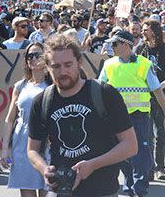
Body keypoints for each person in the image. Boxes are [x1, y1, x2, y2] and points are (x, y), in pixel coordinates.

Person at [27, 34, 138, 197]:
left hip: (102, 191)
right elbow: (32, 150)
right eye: (56, 66)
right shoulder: (42, 101)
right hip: (60, 190)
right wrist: (44, 169)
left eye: (68, 65)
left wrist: (93, 165)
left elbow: (130, 146)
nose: (63, 71)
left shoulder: (105, 94)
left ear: (79, 62)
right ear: (47, 67)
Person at [98, 30, 165, 197]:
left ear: (126, 45)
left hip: (139, 117)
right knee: (120, 155)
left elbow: (157, 91)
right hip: (115, 119)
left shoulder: (144, 64)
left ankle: (139, 189)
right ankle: (129, 185)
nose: (112, 47)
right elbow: (99, 90)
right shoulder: (109, 64)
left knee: (141, 154)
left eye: (115, 44)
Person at [1, 42, 50, 197]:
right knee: (26, 190)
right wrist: (5, 149)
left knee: (47, 191)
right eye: (29, 56)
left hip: (48, 142)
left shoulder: (53, 85)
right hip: (22, 142)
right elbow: (10, 119)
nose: (33, 59)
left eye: (37, 55)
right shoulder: (20, 86)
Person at [135, 20, 165, 181]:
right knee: (146, 135)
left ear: (154, 31)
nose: (143, 32)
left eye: (146, 29)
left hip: (162, 96)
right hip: (144, 96)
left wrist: (159, 86)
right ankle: (150, 167)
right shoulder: (140, 48)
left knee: (161, 132)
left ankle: (161, 167)